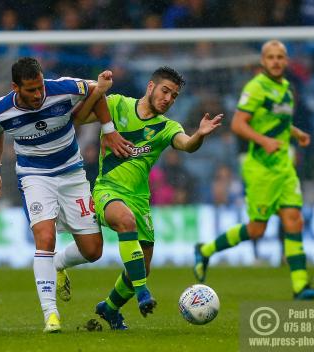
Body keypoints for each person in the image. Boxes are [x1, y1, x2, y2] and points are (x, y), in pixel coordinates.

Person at [0, 57, 131, 333]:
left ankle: (58, 264)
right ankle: (51, 314)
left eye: (40, 87)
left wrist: (108, 129)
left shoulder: (63, 88)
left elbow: (97, 92)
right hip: (34, 176)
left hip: (72, 174)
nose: (38, 94)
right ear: (15, 87)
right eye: (30, 90)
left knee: (93, 251)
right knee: (45, 237)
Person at [73, 66, 223, 330]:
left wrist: (199, 135)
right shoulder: (118, 105)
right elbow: (80, 117)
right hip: (107, 189)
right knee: (125, 221)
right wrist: (98, 93)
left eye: (174, 96)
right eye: (165, 91)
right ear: (151, 87)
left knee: (143, 265)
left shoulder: (166, 127)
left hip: (139, 199)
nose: (168, 99)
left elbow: (186, 145)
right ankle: (143, 294)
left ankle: (109, 308)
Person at [194, 40, 314, 300]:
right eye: (271, 57)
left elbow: (279, 124)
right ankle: (206, 250)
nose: (276, 61)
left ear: (286, 61)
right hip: (261, 169)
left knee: (294, 220)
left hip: (284, 167)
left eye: (281, 57)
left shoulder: (287, 90)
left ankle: (301, 286)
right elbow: (238, 124)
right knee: (258, 229)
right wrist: (264, 141)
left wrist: (297, 133)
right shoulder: (255, 88)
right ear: (263, 62)